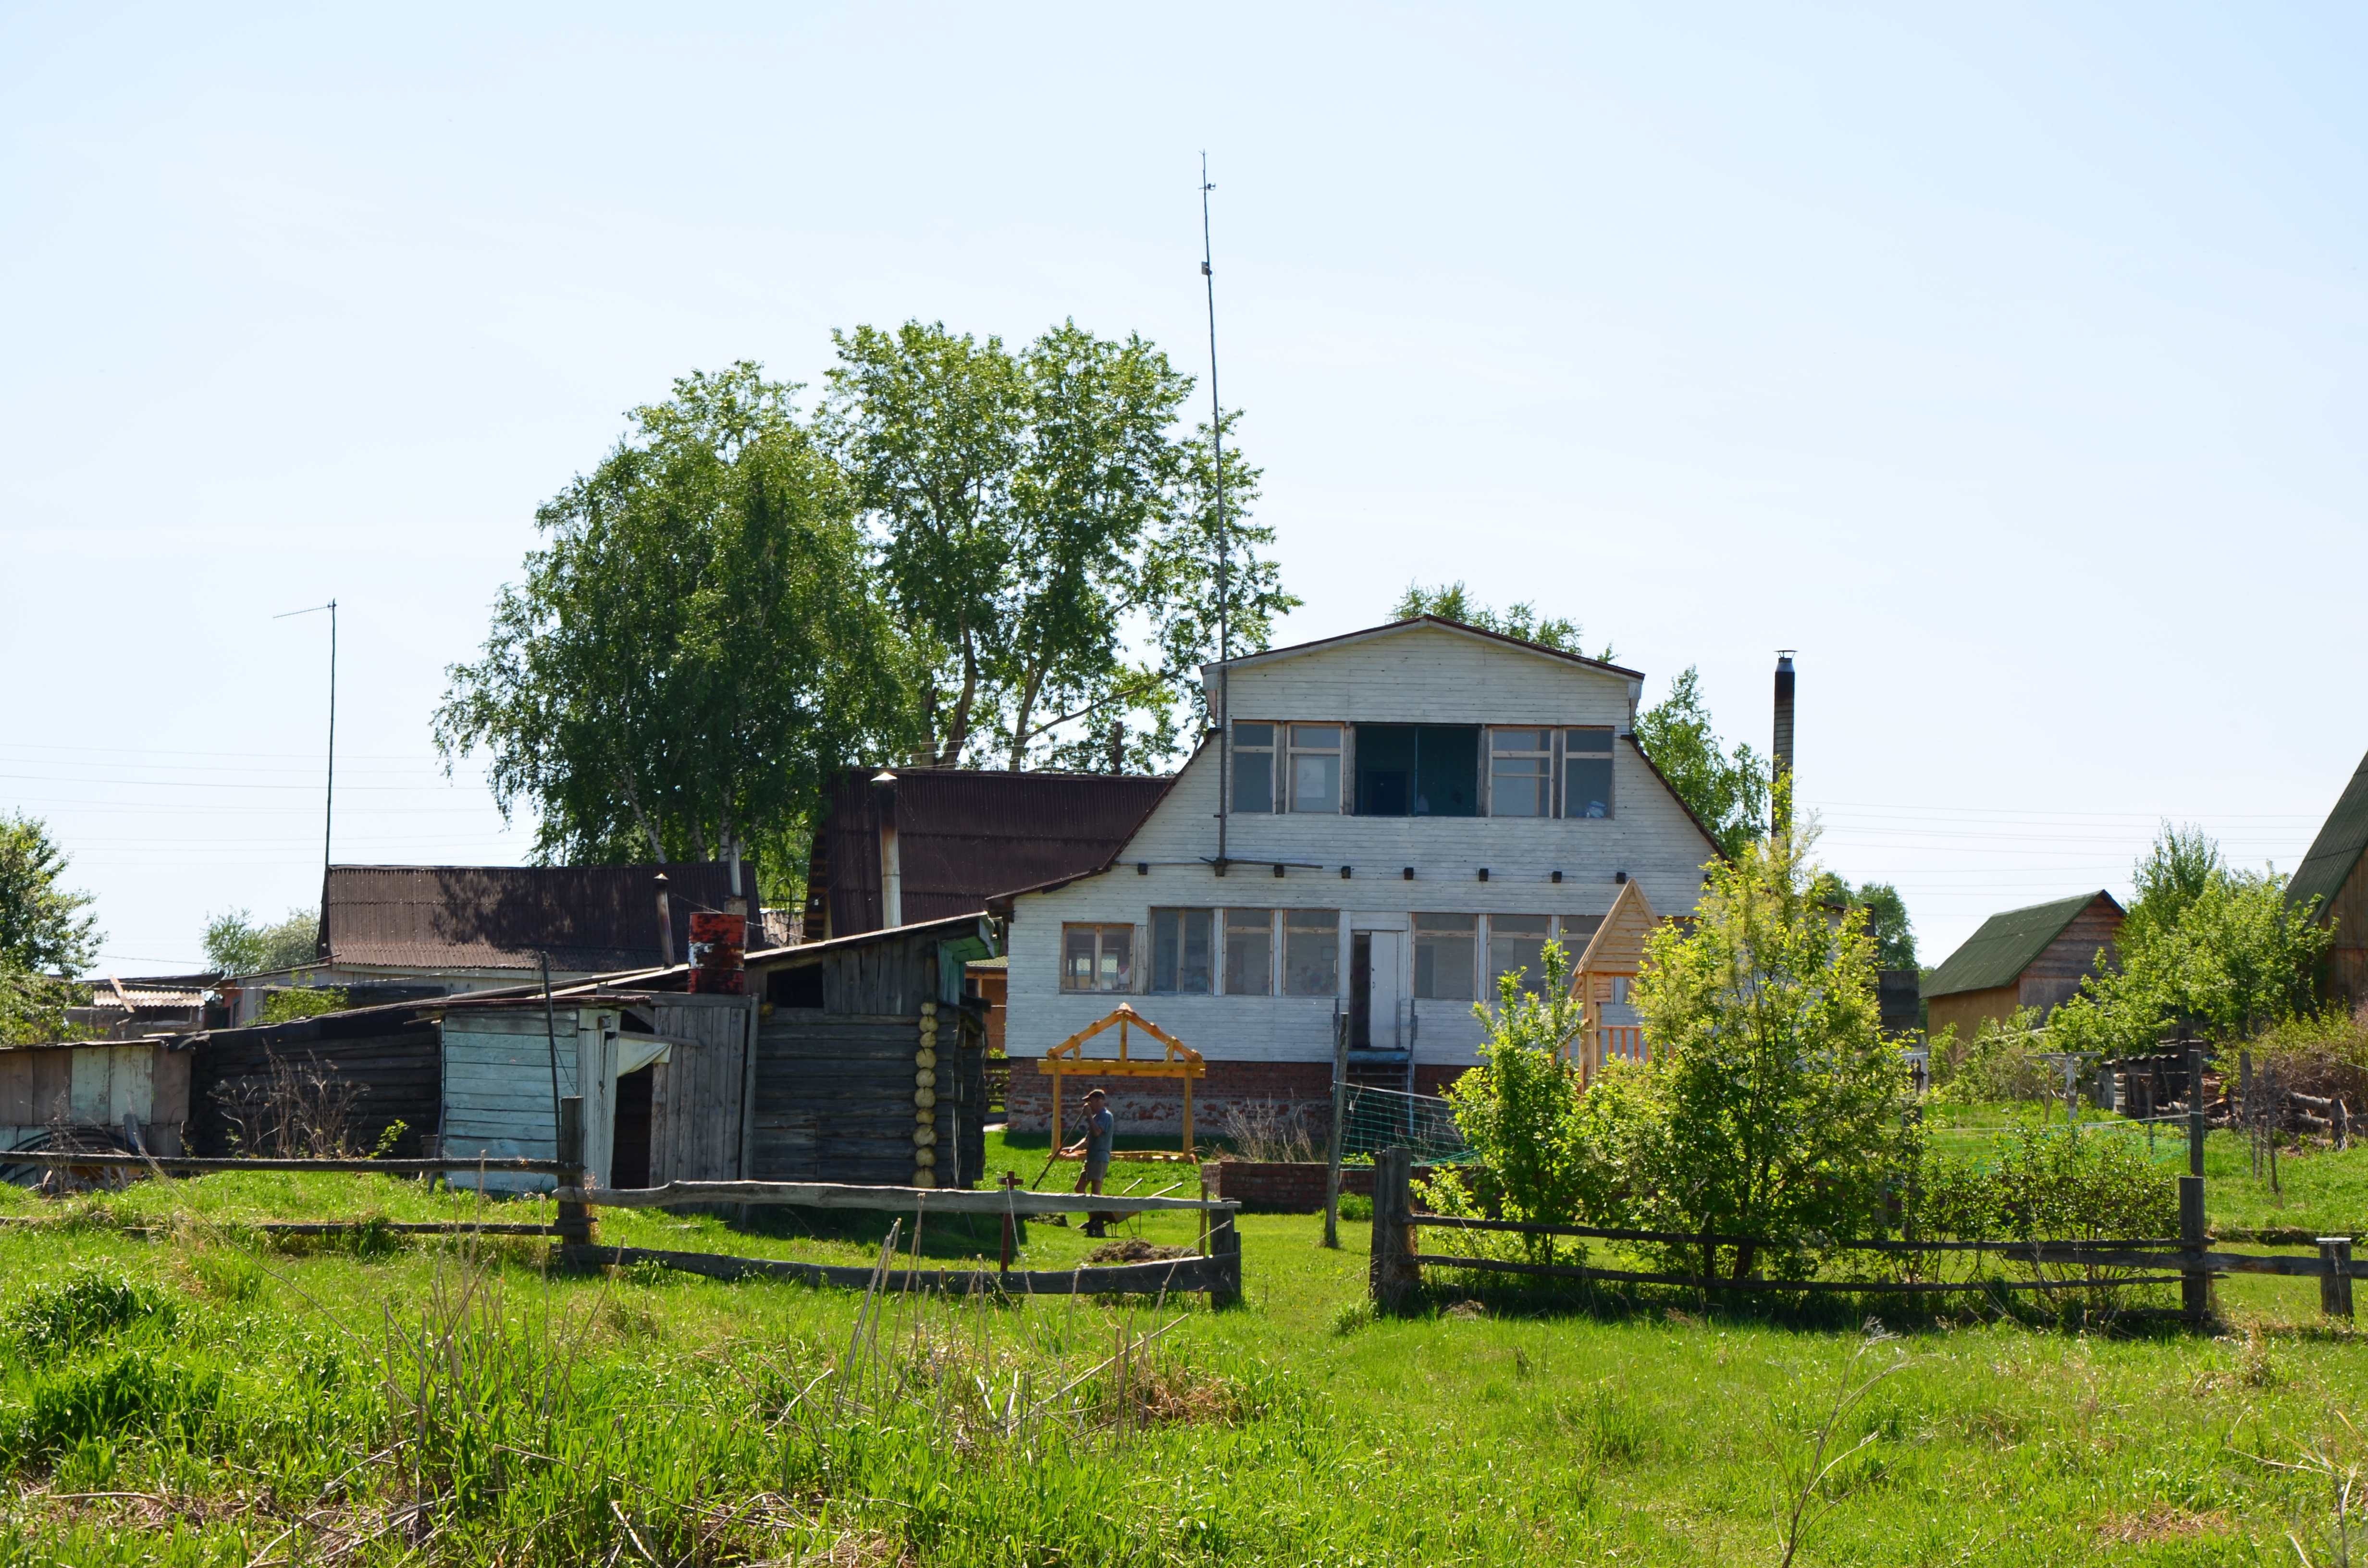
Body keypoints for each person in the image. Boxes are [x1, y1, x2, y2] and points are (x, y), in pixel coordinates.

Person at [1061, 1088, 1115, 1237]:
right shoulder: (1097, 1117)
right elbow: (1088, 1139)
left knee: (1096, 1192)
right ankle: (1093, 1219)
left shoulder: (1105, 1116)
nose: (1089, 1105)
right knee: (1079, 1188)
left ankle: (1099, 1226)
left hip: (1100, 1158)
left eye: (1090, 1101)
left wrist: (1089, 1116)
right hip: (1091, 1159)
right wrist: (1073, 1148)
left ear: (1099, 1100)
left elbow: (1098, 1132)